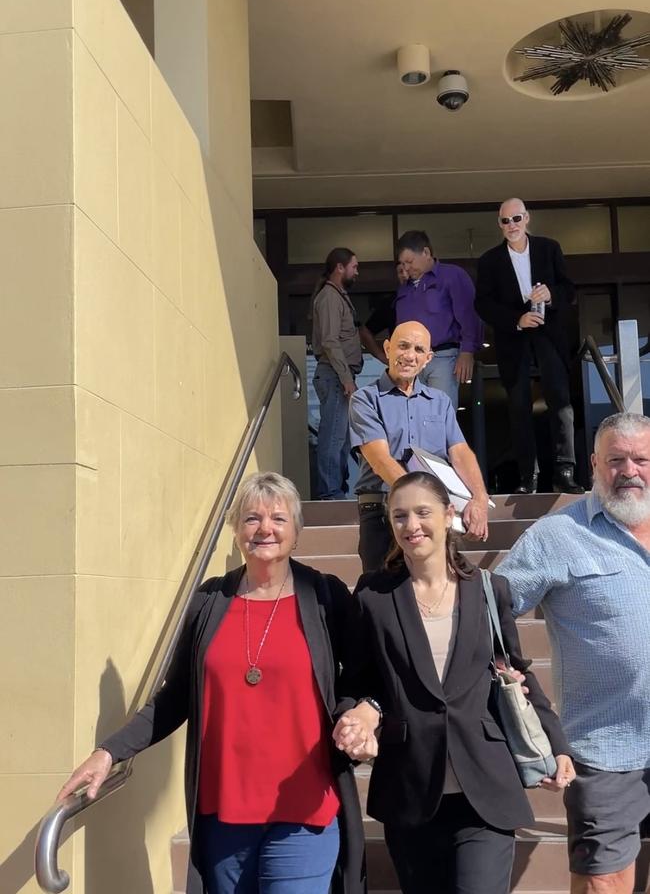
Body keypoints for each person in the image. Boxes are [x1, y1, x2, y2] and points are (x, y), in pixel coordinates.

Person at [55, 472, 367, 894]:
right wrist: (108, 751)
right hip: (223, 816)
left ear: (297, 531)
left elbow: (363, 677)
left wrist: (356, 716)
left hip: (304, 811)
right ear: (237, 530)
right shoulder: (210, 601)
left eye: (278, 518)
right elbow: (175, 699)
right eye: (252, 518)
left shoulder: (324, 597)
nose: (265, 528)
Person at [333, 470, 574, 894]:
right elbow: (356, 680)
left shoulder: (488, 589)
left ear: (448, 516)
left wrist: (556, 744)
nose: (412, 526)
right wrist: (357, 713)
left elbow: (514, 671)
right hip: (409, 787)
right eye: (400, 516)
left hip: (485, 784)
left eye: (422, 513)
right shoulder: (374, 595)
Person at [497, 412, 650, 894]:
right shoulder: (556, 535)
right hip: (607, 749)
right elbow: (490, 611)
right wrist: (523, 704)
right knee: (603, 883)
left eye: (642, 459)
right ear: (593, 464)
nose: (630, 471)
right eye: (616, 460)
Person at [349, 319, 489, 573]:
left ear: (428, 358)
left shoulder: (441, 402)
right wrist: (423, 500)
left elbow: (460, 452)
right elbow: (381, 460)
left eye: (418, 350)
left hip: (430, 513)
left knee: (434, 590)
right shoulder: (365, 399)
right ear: (388, 348)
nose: (409, 356)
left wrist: (479, 498)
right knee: (380, 597)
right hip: (382, 509)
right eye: (403, 346)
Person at [474, 198, 583, 494]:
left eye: (516, 219)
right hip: (514, 340)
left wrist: (550, 295)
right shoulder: (489, 260)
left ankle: (565, 471)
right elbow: (482, 304)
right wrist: (516, 319)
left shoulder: (549, 248)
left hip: (549, 336)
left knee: (560, 401)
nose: (512, 226)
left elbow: (569, 290)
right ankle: (527, 477)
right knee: (519, 406)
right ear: (499, 224)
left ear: (527, 218)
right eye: (505, 221)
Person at [395, 230, 483, 410]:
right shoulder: (405, 287)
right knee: (413, 418)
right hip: (411, 361)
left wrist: (467, 351)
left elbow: (468, 313)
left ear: (426, 253)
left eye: (410, 261)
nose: (406, 268)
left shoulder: (451, 275)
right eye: (402, 263)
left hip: (442, 357)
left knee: (440, 415)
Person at [311, 248, 363, 500]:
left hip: (337, 375)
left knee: (340, 439)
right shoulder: (330, 296)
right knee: (333, 438)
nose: (357, 271)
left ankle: (334, 491)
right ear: (340, 267)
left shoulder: (337, 295)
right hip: (334, 375)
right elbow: (330, 341)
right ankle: (329, 494)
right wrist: (346, 378)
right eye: (354, 266)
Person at [358, 260, 410, 365]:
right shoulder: (391, 303)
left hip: (429, 364)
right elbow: (365, 332)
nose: (404, 275)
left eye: (408, 271)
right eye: (400, 272)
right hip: (401, 365)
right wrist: (383, 358)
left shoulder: (430, 298)